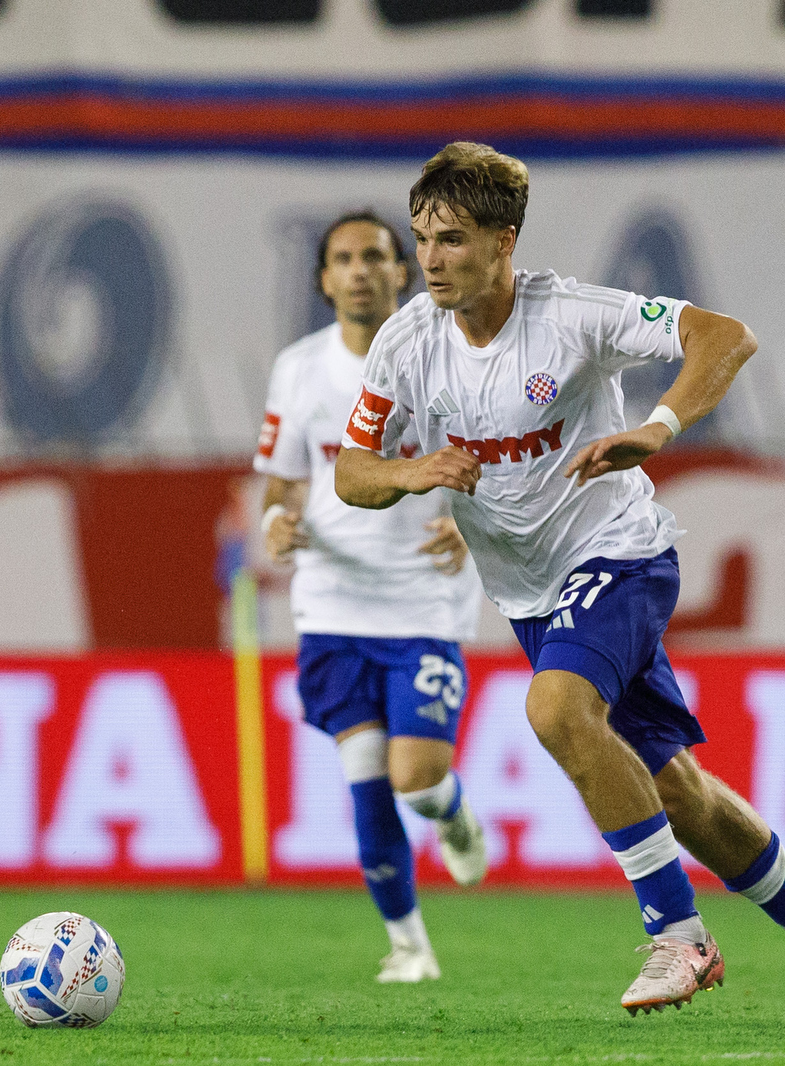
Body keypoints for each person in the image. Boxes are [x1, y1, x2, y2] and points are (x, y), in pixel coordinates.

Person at [334, 142, 785, 1020]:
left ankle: (680, 938)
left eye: (454, 239)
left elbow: (725, 336)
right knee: (675, 793)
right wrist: (410, 474)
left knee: (554, 709)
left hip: (618, 554)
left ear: (505, 241)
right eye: (422, 237)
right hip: (531, 596)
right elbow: (352, 470)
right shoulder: (406, 343)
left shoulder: (571, 317)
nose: (430, 258)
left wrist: (658, 426)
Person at [255, 210, 489, 984]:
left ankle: (451, 813)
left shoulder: (448, 353)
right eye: (344, 258)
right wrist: (277, 522)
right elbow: (285, 480)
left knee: (415, 776)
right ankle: (410, 946)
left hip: (422, 596)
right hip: (331, 600)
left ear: (401, 271)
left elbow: (508, 451)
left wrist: (474, 524)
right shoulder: (296, 368)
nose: (360, 270)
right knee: (365, 774)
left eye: (376, 257)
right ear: (324, 279)